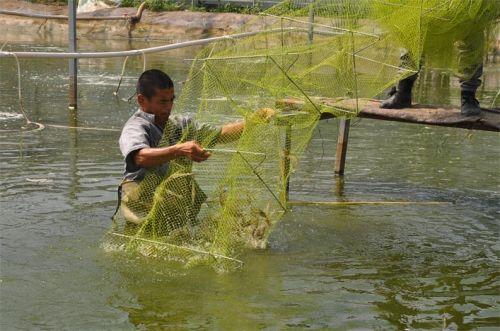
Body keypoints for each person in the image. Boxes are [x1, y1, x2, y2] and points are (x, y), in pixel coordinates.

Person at [115, 69, 273, 236]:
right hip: (143, 210)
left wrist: (256, 120)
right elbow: (140, 157)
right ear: (142, 100)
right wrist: (179, 149)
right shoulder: (136, 127)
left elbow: (221, 134)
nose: (168, 108)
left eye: (171, 100)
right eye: (162, 102)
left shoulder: (179, 125)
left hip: (174, 206)